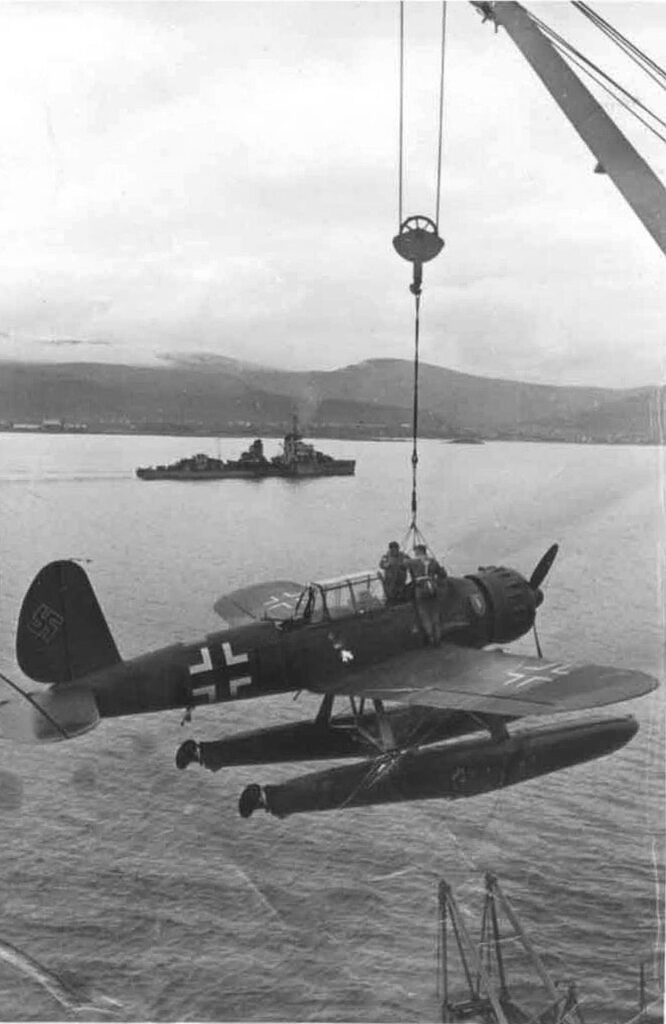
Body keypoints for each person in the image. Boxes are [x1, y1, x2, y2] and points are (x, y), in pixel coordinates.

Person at [410, 544, 448, 644]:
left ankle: (430, 636)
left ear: (418, 552)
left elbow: (401, 566)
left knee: (424, 614)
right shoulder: (433, 561)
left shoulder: (413, 562)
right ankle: (438, 637)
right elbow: (443, 574)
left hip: (421, 590)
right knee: (435, 613)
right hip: (432, 588)